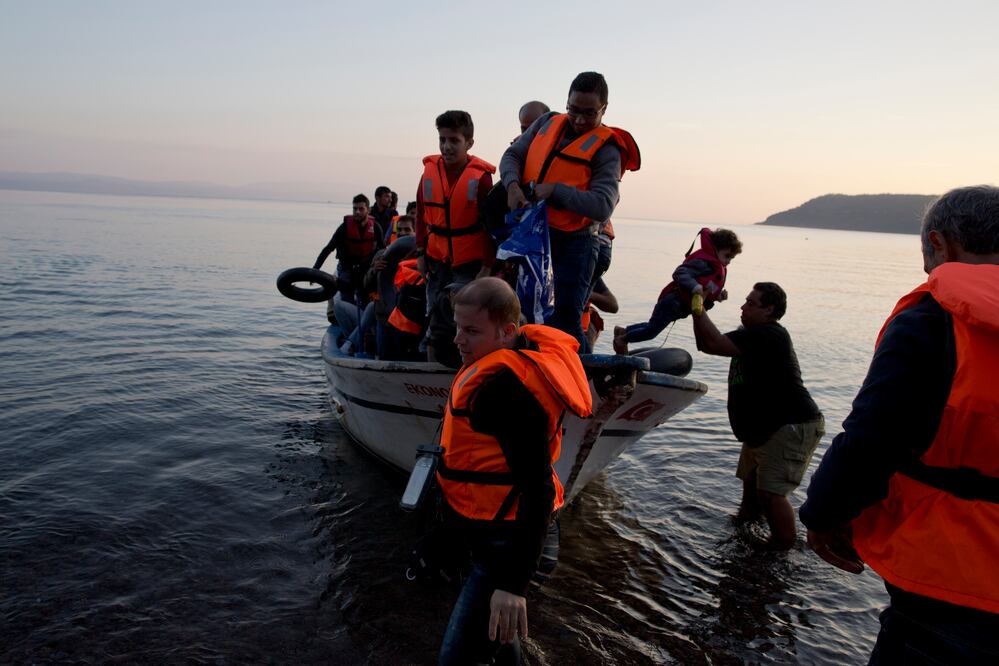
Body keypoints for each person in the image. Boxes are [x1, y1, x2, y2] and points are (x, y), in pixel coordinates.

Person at [799, 185, 999, 663]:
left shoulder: (934, 318)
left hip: (953, 579)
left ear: (940, 245)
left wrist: (823, 517)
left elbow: (873, 438)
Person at [431, 277, 592, 665]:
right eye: (457, 327)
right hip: (493, 529)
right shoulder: (493, 368)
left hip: (514, 541)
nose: (458, 340)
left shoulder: (503, 390)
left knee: (459, 657)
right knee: (497, 640)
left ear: (507, 332)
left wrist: (514, 584)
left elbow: (537, 487)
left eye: (471, 331)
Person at [501, 71, 640, 352]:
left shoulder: (607, 150)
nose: (578, 120)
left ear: (604, 109)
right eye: (573, 110)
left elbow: (602, 205)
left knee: (566, 321)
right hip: (535, 239)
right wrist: (513, 186)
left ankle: (584, 388)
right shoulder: (546, 123)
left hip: (575, 245)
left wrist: (555, 190)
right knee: (526, 313)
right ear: (566, 102)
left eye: (589, 114)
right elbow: (513, 155)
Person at [692, 282, 824, 549]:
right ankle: (746, 536)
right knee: (751, 491)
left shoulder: (769, 334)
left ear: (769, 310)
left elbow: (713, 342)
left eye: (751, 303)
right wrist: (700, 308)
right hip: (762, 428)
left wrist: (697, 304)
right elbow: (706, 344)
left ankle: (782, 550)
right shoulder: (752, 333)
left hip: (790, 425)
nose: (743, 307)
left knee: (771, 494)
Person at [415, 110, 496, 367]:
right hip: (436, 259)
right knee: (433, 312)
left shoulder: (480, 179)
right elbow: (421, 216)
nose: (446, 147)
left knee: (455, 311)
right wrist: (420, 253)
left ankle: (464, 369)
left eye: (453, 141)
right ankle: (433, 371)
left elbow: (490, 227)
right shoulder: (429, 173)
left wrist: (487, 266)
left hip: (469, 264)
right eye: (442, 140)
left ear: (469, 143)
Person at [614, 228, 742, 354]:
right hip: (672, 302)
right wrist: (695, 287)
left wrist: (719, 296)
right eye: (727, 256)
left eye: (731, 258)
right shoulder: (703, 262)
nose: (728, 262)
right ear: (715, 248)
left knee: (651, 326)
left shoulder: (714, 266)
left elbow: (708, 288)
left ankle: (623, 331)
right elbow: (680, 273)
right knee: (651, 332)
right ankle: (623, 339)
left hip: (678, 307)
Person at [313, 193, 386, 312]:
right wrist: (315, 270)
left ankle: (364, 324)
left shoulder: (376, 228)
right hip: (347, 267)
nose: (357, 212)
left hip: (365, 267)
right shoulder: (344, 227)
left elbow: (383, 249)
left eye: (361, 209)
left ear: (368, 210)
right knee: (347, 298)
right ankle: (348, 321)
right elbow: (328, 249)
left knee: (365, 297)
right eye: (355, 208)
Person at [363, 215, 418, 358]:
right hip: (385, 318)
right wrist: (374, 270)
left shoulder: (421, 258)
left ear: (415, 232)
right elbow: (366, 285)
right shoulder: (382, 255)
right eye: (399, 230)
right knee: (384, 357)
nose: (402, 233)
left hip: (410, 321)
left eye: (407, 229)